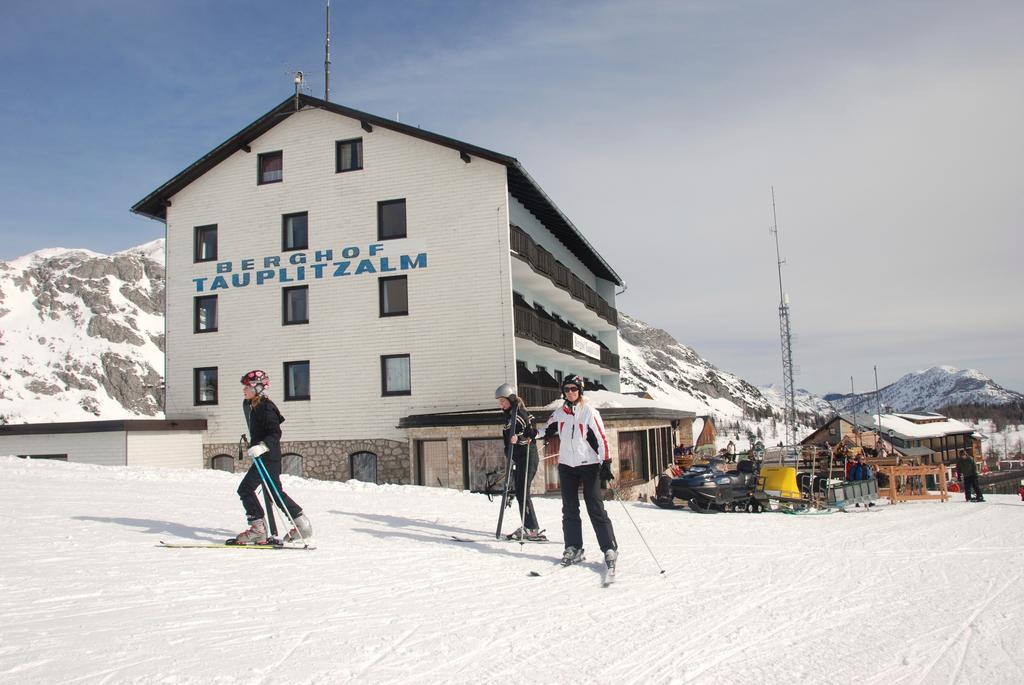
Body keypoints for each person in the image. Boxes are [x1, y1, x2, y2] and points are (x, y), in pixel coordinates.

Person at [542, 375, 617, 570]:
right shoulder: (560, 413)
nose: (570, 392)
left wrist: (606, 462)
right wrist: (530, 435)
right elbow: (545, 430)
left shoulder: (589, 412)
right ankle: (574, 547)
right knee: (569, 508)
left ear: (580, 391)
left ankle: (609, 548)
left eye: (573, 389)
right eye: (566, 389)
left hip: (589, 465)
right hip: (567, 465)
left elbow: (602, 438)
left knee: (595, 507)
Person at [234, 370, 313, 544]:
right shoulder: (253, 405)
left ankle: (258, 530)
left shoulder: (265, 406)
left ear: (258, 388)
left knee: (245, 489)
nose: (244, 390)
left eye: (247, 386)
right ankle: (302, 525)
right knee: (276, 494)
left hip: (267, 457)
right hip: (266, 457)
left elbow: (275, 432)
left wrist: (262, 446)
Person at [495, 383, 544, 541]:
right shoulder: (511, 415)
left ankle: (531, 529)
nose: (500, 404)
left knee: (523, 492)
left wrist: (519, 438)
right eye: (499, 401)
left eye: (503, 401)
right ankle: (529, 526)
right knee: (520, 492)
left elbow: (531, 433)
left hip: (527, 456)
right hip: (519, 457)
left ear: (510, 399)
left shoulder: (520, 414)